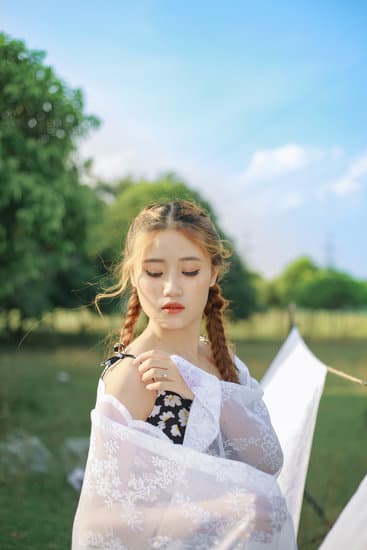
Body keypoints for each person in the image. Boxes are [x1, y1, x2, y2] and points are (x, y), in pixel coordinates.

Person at [72, 199, 297, 549]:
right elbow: (98, 524)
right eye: (154, 272)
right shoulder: (136, 375)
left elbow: (269, 461)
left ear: (213, 273)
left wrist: (203, 393)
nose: (171, 288)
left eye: (189, 271)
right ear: (133, 274)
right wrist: (221, 509)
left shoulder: (223, 363)